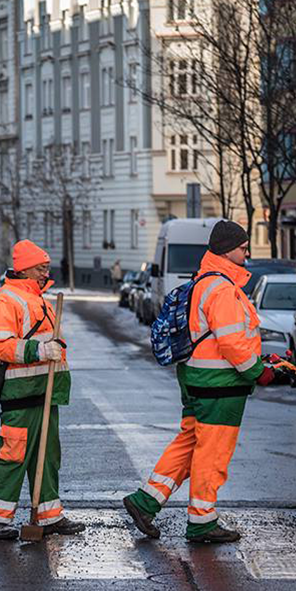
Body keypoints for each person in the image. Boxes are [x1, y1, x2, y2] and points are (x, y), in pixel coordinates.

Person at [122, 221, 280, 543]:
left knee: (189, 444)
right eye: (242, 247)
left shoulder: (204, 282)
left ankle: (146, 501)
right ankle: (202, 521)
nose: (247, 253)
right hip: (219, 385)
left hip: (197, 378)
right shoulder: (222, 289)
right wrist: (257, 371)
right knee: (212, 453)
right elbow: (233, 342)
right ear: (226, 249)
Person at [0, 240, 86, 540]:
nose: (45, 273)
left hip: (44, 392)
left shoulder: (38, 299)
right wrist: (41, 350)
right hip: (21, 393)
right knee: (14, 455)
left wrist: (54, 349)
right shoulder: (6, 300)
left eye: (47, 268)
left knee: (48, 456)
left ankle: (49, 515)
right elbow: (2, 346)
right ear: (24, 268)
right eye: (41, 268)